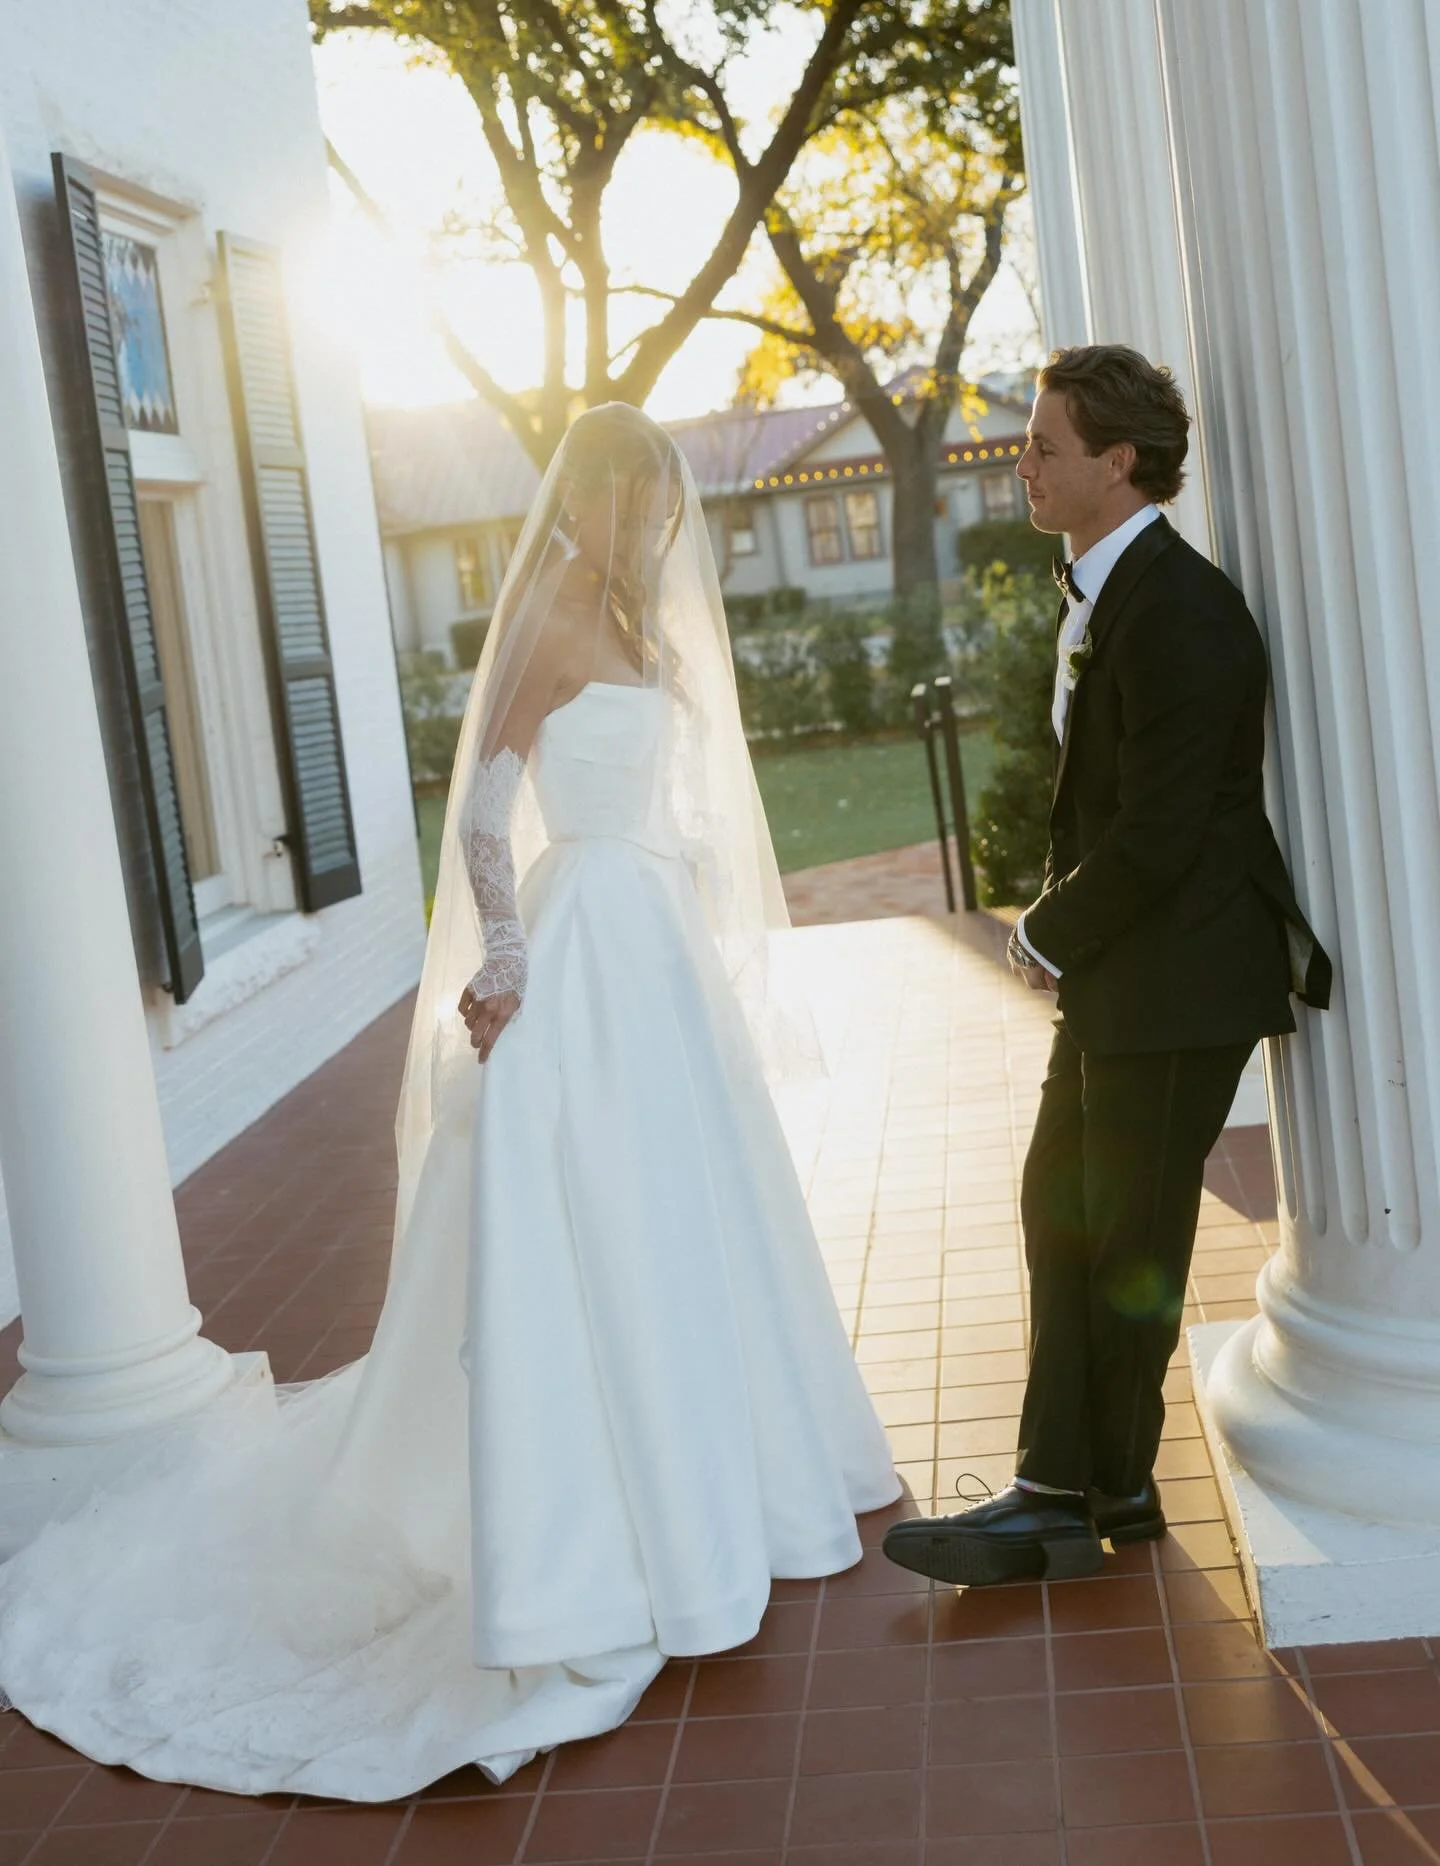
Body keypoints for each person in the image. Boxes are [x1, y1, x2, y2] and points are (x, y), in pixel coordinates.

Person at [0, 404, 898, 1797]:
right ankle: (594, 1546)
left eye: (665, 510)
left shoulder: (637, 610)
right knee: (578, 1228)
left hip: (652, 948)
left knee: (686, 1215)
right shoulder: (547, 609)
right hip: (577, 946)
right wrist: (511, 948)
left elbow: (680, 792)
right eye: (637, 504)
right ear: (587, 501)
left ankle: (731, 1498)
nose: (656, 529)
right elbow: (483, 814)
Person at [884, 345, 1329, 1590]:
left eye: (1042, 446)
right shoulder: (1111, 592)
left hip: (1184, 973)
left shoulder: (1182, 609)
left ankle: (1096, 1499)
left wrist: (1044, 928)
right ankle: (1069, 1487)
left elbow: (1165, 824)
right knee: (1060, 1208)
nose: (1020, 464)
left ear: (1117, 463)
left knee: (1125, 1236)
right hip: (1131, 971)